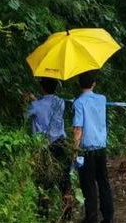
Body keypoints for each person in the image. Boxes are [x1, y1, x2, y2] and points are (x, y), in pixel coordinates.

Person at [25, 78, 72, 217]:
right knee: (64, 178)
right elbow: (49, 105)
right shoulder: (61, 102)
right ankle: (67, 213)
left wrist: (31, 101)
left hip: (45, 146)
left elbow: (25, 115)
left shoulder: (36, 105)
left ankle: (43, 214)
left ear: (41, 88)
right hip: (61, 143)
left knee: (43, 179)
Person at [73, 71, 114, 223]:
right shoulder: (102, 99)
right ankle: (108, 216)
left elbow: (78, 129)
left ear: (79, 85)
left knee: (88, 184)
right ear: (94, 84)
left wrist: (75, 150)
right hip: (101, 148)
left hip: (86, 150)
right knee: (103, 181)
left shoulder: (78, 103)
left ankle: (91, 218)